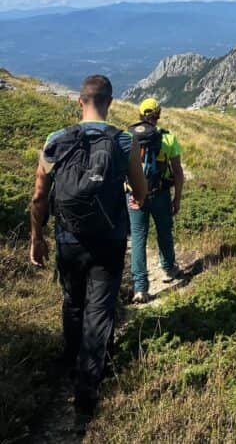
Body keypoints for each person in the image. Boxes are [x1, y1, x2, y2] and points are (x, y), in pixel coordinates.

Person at [30, 74, 148, 420]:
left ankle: (71, 360)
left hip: (68, 238)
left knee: (73, 301)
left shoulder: (56, 140)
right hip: (109, 240)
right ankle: (89, 383)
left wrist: (37, 238)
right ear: (109, 103)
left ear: (80, 102)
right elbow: (139, 191)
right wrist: (133, 196)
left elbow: (39, 196)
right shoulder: (124, 141)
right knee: (100, 308)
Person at [128, 97, 185, 304]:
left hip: (134, 196)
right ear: (158, 116)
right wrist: (177, 199)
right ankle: (169, 268)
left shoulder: (128, 137)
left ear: (141, 115)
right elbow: (178, 173)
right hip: (159, 194)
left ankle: (140, 288)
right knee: (163, 231)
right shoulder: (167, 139)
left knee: (138, 237)